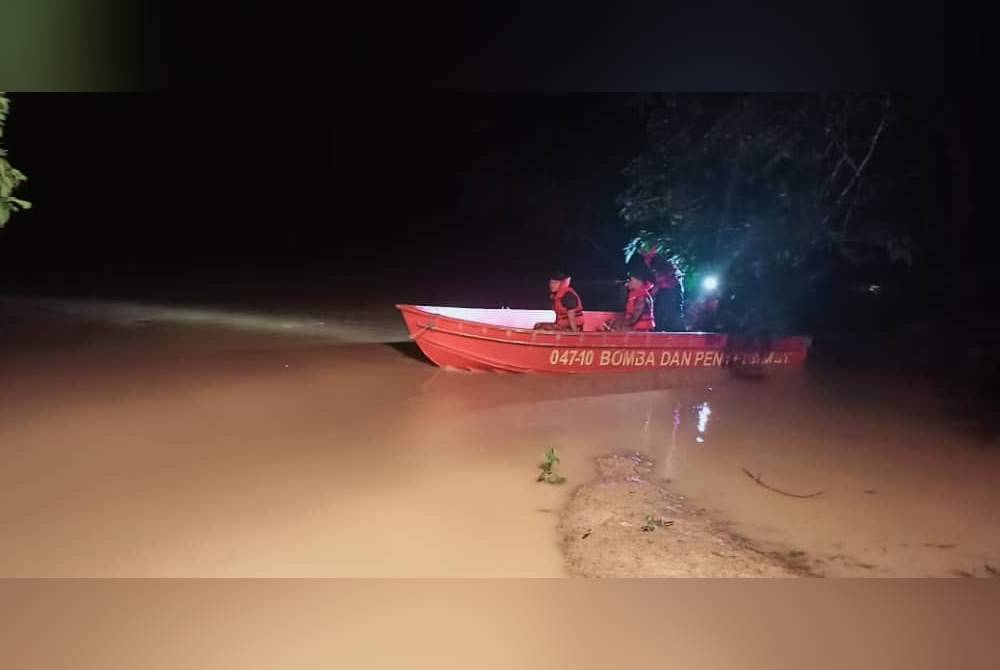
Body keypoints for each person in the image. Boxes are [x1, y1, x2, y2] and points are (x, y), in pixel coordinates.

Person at [641, 246, 685, 332]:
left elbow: (664, 277)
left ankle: (676, 334)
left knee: (671, 314)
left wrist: (654, 290)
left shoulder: (658, 261)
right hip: (668, 290)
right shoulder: (651, 261)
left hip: (671, 290)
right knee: (663, 314)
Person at [605, 267, 655, 331]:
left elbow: (636, 316)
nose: (628, 282)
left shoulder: (642, 297)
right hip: (635, 327)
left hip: (641, 330)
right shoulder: (635, 295)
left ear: (640, 282)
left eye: (631, 280)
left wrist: (623, 324)